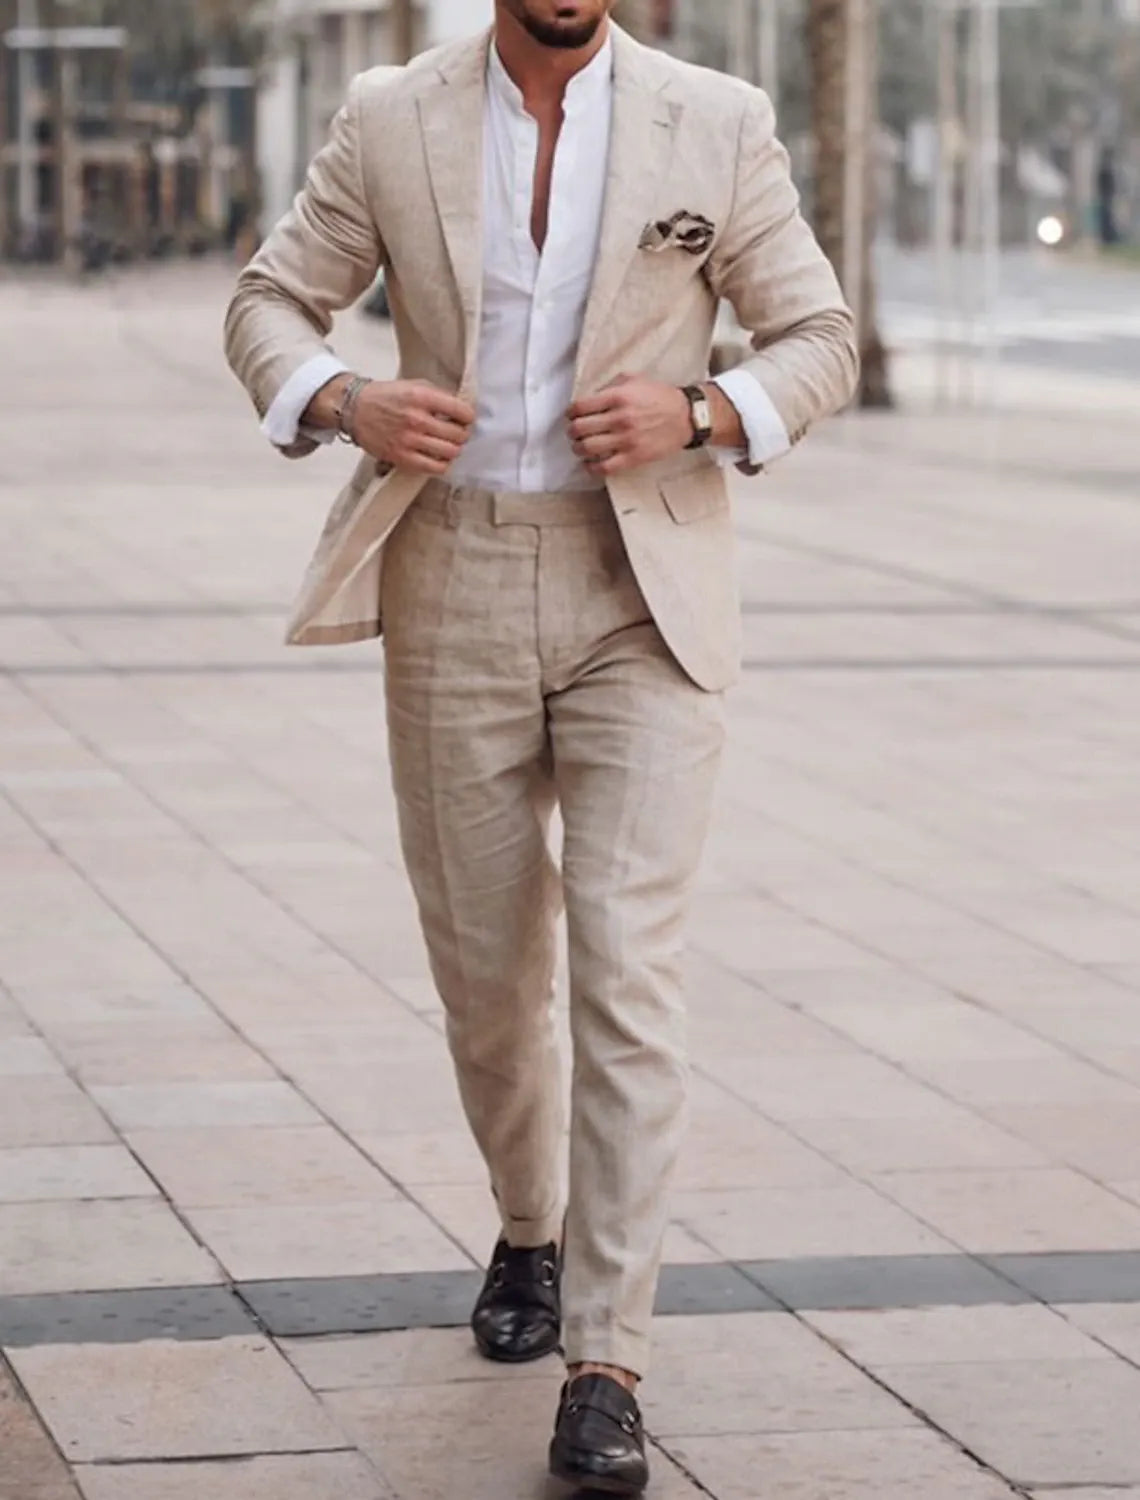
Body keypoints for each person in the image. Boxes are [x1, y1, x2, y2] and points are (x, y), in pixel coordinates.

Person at [224, 2, 857, 1491]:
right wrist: (343, 395)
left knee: (628, 960)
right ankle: (528, 1225)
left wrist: (704, 406)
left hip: (643, 584)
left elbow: (818, 333)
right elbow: (268, 301)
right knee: (490, 970)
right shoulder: (391, 114)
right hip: (450, 570)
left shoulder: (717, 117)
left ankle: (606, 1359)